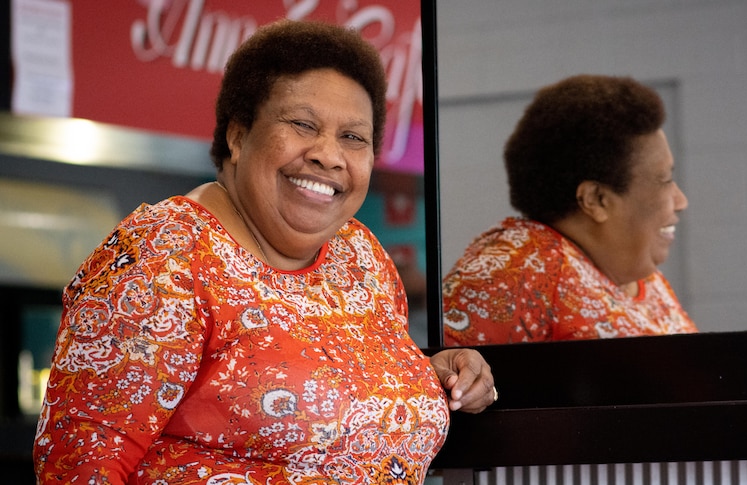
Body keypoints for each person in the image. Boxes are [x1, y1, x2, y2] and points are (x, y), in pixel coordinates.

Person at [33, 19, 495, 484]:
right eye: (302, 124)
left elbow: (334, 385)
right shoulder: (164, 253)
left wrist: (428, 372)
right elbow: (79, 468)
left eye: (353, 137)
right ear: (238, 135)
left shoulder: (359, 254)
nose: (329, 155)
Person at [443, 74, 697, 346]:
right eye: (664, 180)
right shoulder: (518, 270)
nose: (681, 200)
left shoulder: (642, 280)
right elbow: (445, 380)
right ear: (596, 199)